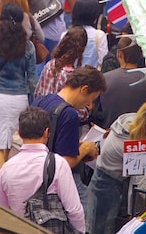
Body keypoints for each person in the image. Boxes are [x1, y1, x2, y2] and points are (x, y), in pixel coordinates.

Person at [87, 101, 146, 234]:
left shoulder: (137, 120)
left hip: (110, 181)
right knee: (104, 230)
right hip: (107, 186)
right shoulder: (133, 143)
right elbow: (141, 182)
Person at [0, 107, 86, 233]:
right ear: (46, 132)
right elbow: (74, 210)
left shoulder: (7, 168)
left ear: (19, 133)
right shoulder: (58, 164)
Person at [33, 66, 106, 206]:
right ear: (84, 89)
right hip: (60, 182)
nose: (89, 105)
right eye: (91, 98)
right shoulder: (69, 114)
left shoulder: (42, 100)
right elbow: (65, 161)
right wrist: (85, 148)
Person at [0, 3, 37, 176]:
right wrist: (33, 102)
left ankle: (0, 185)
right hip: (19, 98)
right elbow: (32, 79)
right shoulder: (28, 46)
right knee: (12, 144)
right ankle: (7, 184)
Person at [93, 37, 146, 128]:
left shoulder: (104, 79)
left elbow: (95, 110)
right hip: (140, 135)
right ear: (140, 55)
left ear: (119, 54)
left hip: (110, 134)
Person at [35, 26, 88, 99]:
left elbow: (37, 92)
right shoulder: (69, 75)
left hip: (42, 107)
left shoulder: (50, 64)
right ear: (83, 48)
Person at [69, 0, 108, 69]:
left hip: (69, 77)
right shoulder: (99, 35)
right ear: (94, 16)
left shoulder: (66, 34)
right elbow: (102, 60)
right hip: (92, 77)